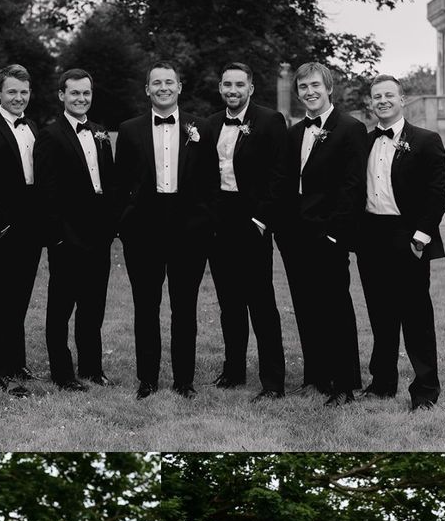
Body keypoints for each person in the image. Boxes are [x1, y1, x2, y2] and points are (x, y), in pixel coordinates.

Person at [114, 62, 217, 398]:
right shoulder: (129, 130)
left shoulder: (200, 127)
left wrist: (204, 222)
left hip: (189, 230)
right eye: (156, 83)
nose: (163, 87)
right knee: (146, 307)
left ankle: (184, 381)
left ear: (179, 87)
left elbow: (210, 182)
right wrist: (125, 223)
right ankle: (148, 379)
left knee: (184, 307)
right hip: (143, 230)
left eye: (168, 82)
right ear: (147, 89)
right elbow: (121, 184)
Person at [355, 75, 445, 410]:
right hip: (370, 237)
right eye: (376, 96)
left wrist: (422, 235)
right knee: (380, 314)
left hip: (408, 238)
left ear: (402, 99)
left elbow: (437, 193)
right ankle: (382, 382)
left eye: (389, 95)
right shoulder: (364, 141)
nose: (382, 100)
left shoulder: (425, 140)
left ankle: (425, 390)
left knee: (416, 316)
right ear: (370, 102)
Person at [275, 61, 365, 404]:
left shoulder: (350, 128)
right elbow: (286, 182)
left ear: (329, 88)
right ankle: (315, 375)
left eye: (315, 86)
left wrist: (334, 233)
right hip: (295, 235)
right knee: (306, 305)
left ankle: (343, 384)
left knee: (335, 307)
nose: (309, 92)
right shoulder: (295, 132)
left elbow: (353, 186)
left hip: (328, 234)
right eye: (303, 88)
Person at [205, 62, 287, 399]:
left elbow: (281, 174)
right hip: (219, 222)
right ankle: (233, 370)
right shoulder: (209, 125)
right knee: (229, 303)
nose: (233, 91)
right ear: (220, 88)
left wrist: (262, 218)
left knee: (261, 303)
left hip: (252, 222)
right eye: (227, 85)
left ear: (251, 88)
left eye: (239, 85)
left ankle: (272, 382)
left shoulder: (269, 121)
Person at [36, 68, 116, 390]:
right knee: (61, 307)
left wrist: (110, 226)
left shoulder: (100, 132)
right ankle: (62, 373)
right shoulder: (50, 135)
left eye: (86, 93)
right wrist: (57, 235)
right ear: (61, 96)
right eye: (75, 93)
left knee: (93, 304)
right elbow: (46, 191)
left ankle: (92, 368)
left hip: (99, 233)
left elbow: (109, 182)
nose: (81, 99)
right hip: (67, 234)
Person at [0, 63, 45, 396]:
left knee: (20, 298)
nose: (19, 98)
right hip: (4, 226)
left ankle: (16, 362)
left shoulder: (34, 127)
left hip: (32, 224)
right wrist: (0, 222)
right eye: (12, 91)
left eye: (24, 92)